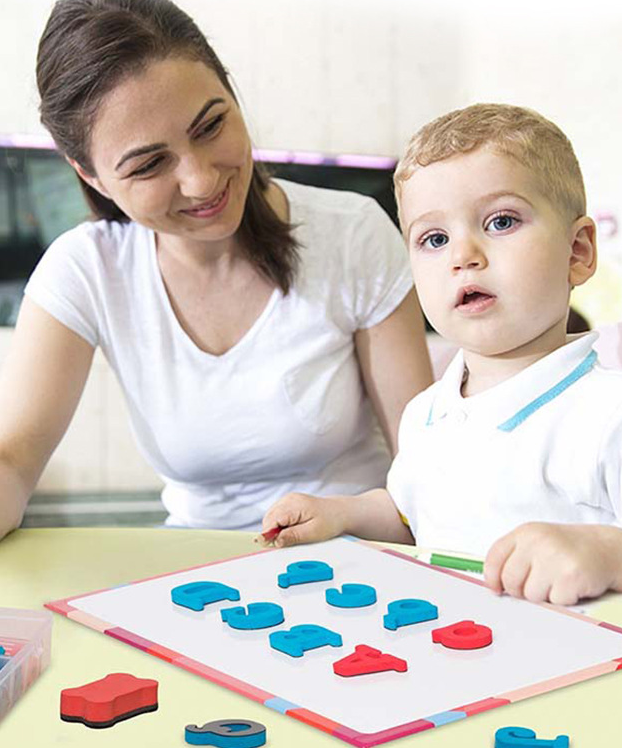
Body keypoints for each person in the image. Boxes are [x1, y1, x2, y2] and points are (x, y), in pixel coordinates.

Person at [0, 0, 432, 591]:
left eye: (211, 125)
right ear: (90, 175)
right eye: (149, 164)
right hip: (199, 583)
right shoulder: (88, 269)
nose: (201, 180)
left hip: (356, 572)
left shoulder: (352, 234)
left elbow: (429, 460)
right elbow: (6, 462)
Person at [262, 103, 622, 606]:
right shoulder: (426, 413)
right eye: (434, 238)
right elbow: (414, 516)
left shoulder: (606, 413)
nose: (463, 256)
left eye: (501, 221)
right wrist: (342, 513)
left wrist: (608, 553)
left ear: (578, 251)